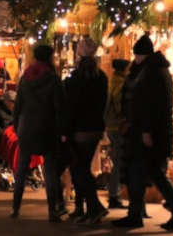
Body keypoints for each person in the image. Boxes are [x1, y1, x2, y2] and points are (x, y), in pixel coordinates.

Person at [113, 35, 173, 231]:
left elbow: (150, 105)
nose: (135, 58)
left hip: (149, 133)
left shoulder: (152, 73)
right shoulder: (151, 71)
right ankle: (171, 212)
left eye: (137, 55)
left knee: (143, 173)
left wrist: (146, 130)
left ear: (142, 55)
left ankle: (139, 214)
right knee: (151, 173)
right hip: (146, 131)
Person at [11, 44, 66, 222]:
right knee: (49, 170)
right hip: (47, 127)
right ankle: (52, 210)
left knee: (21, 169)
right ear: (50, 58)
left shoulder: (25, 78)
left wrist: (17, 126)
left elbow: (17, 106)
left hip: (26, 127)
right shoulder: (53, 79)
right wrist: (61, 130)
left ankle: (15, 208)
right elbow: (60, 108)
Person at [64, 37, 108, 224]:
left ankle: (94, 207)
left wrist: (65, 130)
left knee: (79, 169)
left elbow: (70, 107)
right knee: (81, 168)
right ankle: (85, 209)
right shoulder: (102, 78)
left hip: (78, 129)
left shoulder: (75, 80)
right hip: (95, 128)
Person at [105, 58, 129, 209]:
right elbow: (120, 104)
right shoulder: (120, 83)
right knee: (119, 162)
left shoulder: (112, 81)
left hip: (111, 125)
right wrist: (125, 118)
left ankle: (114, 194)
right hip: (118, 126)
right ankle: (113, 195)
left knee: (118, 161)